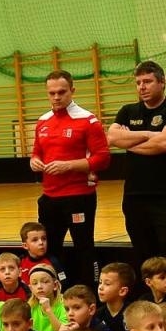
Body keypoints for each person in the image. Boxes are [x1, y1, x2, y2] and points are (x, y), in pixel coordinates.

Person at [31, 70, 111, 286]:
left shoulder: (88, 121)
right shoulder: (42, 122)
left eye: (61, 92)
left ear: (72, 91)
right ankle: (54, 293)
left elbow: (103, 159)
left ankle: (90, 294)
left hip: (79, 197)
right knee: (50, 249)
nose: (56, 97)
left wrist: (69, 166)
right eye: (51, 93)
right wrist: (34, 161)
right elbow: (37, 152)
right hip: (50, 198)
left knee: (84, 248)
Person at [107, 60, 166, 268]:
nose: (142, 87)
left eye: (147, 81)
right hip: (134, 198)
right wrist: (147, 134)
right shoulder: (128, 111)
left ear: (162, 83)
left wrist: (130, 141)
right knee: (143, 257)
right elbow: (112, 138)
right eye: (138, 82)